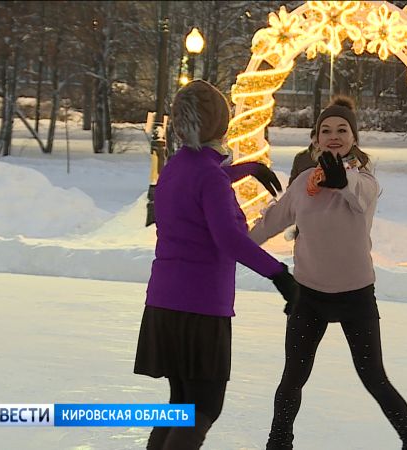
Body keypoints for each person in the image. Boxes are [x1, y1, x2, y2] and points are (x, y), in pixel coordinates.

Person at [249, 96, 407, 450]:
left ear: (353, 138)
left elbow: (358, 197)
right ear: (315, 139)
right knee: (292, 379)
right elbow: (268, 224)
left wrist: (340, 178)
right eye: (326, 130)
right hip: (309, 297)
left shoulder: (365, 181)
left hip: (355, 297)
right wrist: (224, 239)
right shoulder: (302, 185)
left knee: (374, 378)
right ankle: (278, 443)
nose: (333, 135)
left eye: (342, 130)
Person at [134, 80, 298, 450]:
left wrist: (248, 168)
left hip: (164, 304)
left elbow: (204, 176)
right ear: (222, 125)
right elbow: (229, 239)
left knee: (180, 406)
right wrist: (280, 275)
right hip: (200, 308)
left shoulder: (175, 167)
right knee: (204, 406)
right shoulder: (207, 177)